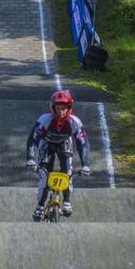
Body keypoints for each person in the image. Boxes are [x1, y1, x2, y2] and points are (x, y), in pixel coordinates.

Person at [26, 90, 91, 221]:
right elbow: (33, 139)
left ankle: (67, 201)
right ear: (52, 107)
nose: (61, 111)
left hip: (64, 143)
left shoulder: (74, 122)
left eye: (64, 108)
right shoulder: (45, 119)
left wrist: (86, 165)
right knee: (44, 175)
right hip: (47, 143)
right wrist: (31, 159)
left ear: (69, 108)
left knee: (68, 171)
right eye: (58, 108)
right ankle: (39, 206)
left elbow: (83, 143)